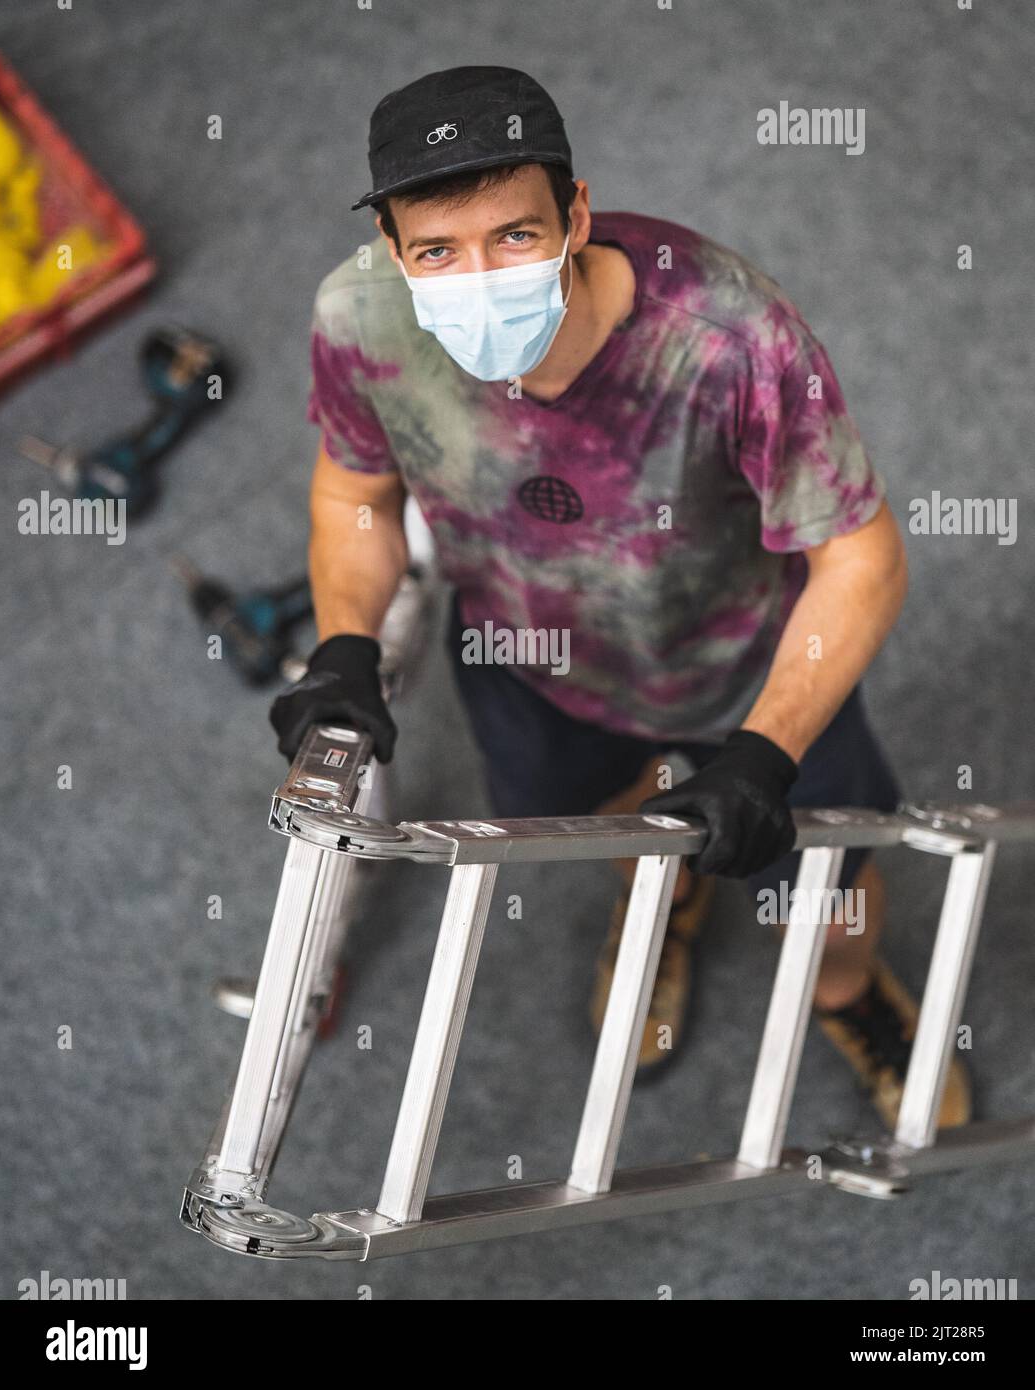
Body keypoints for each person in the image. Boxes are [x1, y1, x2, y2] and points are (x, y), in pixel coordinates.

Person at [270, 65, 969, 1130]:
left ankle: (846, 994)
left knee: (828, 888)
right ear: (397, 253)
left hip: (750, 668)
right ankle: (671, 893)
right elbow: (352, 492)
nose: (477, 275)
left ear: (576, 215)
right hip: (528, 661)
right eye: (436, 252)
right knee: (625, 831)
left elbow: (861, 558)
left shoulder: (730, 335)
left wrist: (764, 751)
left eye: (513, 235)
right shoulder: (361, 320)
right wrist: (345, 645)